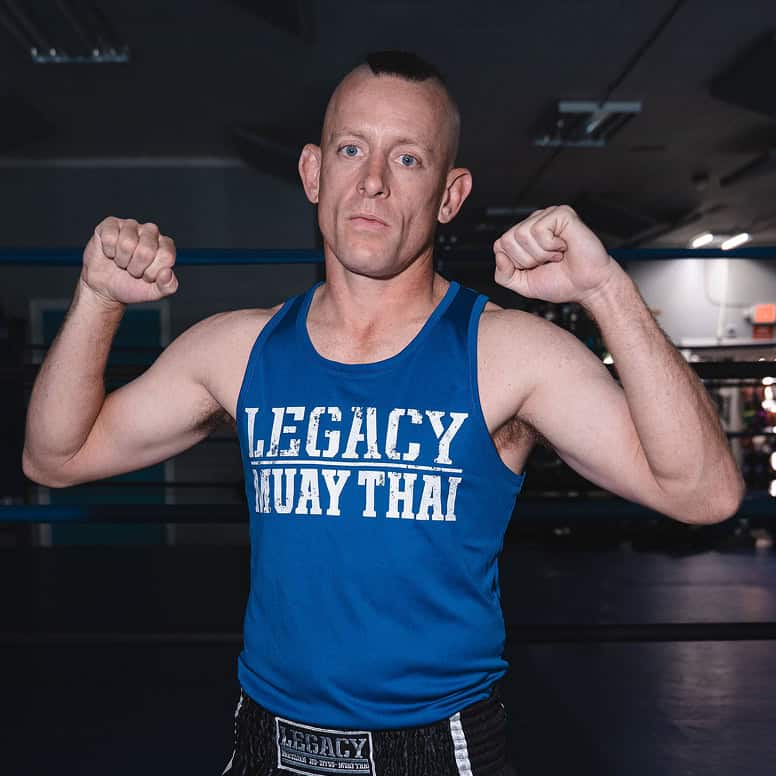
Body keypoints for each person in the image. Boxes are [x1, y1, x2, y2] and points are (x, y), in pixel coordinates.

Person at [23, 51, 743, 776]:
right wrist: (97, 298)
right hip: (267, 744)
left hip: (436, 751)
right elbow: (55, 456)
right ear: (313, 173)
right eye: (350, 149)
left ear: (450, 195)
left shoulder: (511, 354)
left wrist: (606, 289)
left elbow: (705, 493)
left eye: (407, 158)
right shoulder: (237, 350)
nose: (372, 180)